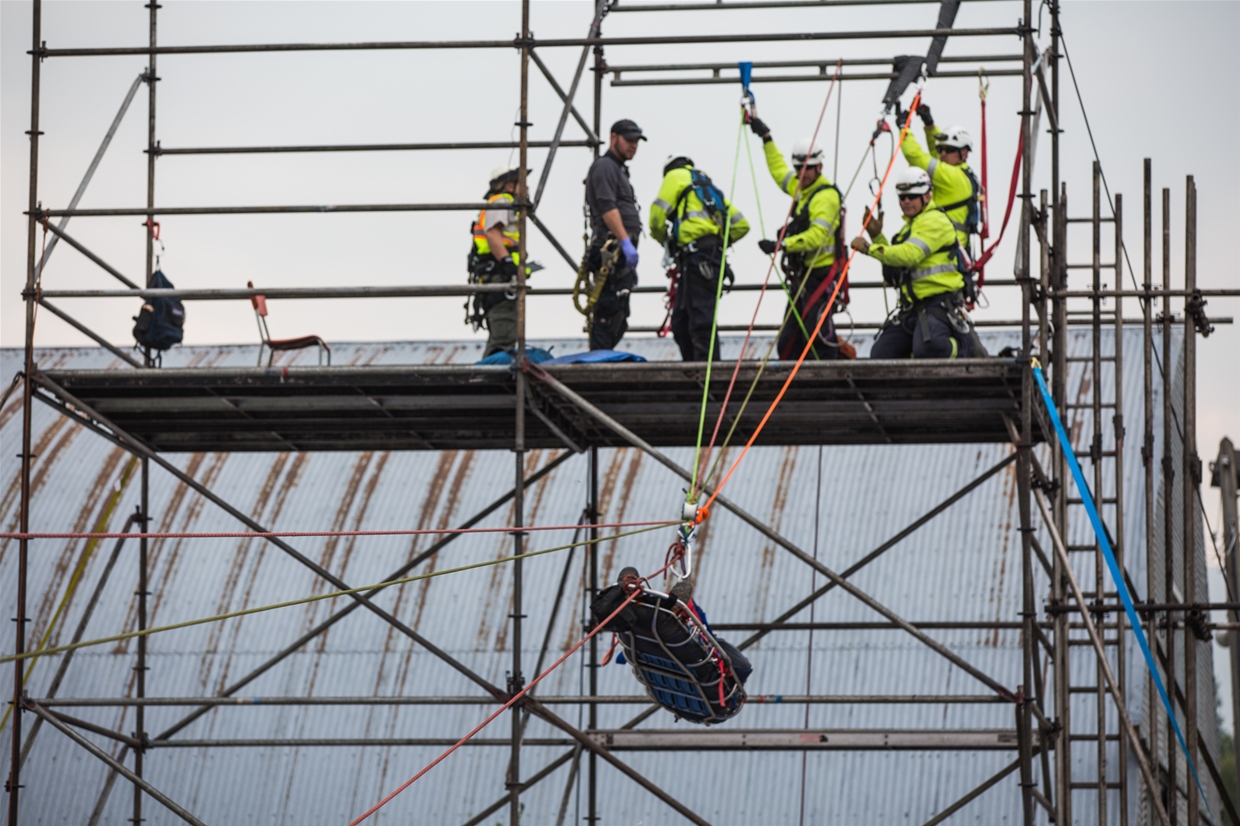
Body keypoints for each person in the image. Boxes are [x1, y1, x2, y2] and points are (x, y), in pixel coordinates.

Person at [748, 115, 847, 360]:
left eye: (807, 169)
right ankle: (797, 390)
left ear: (819, 168)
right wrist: (766, 139)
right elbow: (779, 171)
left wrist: (782, 245)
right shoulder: (802, 189)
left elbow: (817, 238)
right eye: (799, 169)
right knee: (790, 341)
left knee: (817, 334)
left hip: (821, 276)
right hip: (803, 276)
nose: (801, 174)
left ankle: (833, 382)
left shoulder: (825, 197)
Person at [850, 167, 976, 359]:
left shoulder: (935, 221)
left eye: (912, 196)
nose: (906, 201)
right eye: (903, 197)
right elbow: (896, 263)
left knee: (929, 347)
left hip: (938, 305)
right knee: (881, 354)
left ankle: (963, 347)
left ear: (927, 196)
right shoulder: (910, 228)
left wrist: (870, 248)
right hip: (912, 310)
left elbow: (909, 255)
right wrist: (877, 238)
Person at [649, 155, 750, 362]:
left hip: (697, 260)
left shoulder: (675, 177)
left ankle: (707, 379)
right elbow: (741, 225)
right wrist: (718, 242)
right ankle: (695, 371)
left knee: (698, 322)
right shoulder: (705, 186)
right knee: (683, 320)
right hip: (705, 261)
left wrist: (666, 242)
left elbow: (656, 217)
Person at [583, 119, 645, 350]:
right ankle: (600, 358)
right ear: (613, 138)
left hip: (618, 250)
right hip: (611, 247)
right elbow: (608, 207)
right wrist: (625, 241)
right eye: (629, 140)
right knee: (607, 311)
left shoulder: (618, 170)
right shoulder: (605, 167)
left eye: (636, 141)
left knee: (618, 310)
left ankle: (604, 353)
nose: (633, 146)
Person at [898, 103, 984, 256]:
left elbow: (916, 157)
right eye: (940, 149)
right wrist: (930, 126)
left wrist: (904, 129)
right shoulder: (962, 173)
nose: (942, 154)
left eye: (949, 150)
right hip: (952, 246)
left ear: (964, 153)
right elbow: (936, 156)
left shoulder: (951, 177)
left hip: (944, 249)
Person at [467, 164, 530, 358]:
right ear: (510, 185)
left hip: (499, 275)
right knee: (503, 336)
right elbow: (493, 233)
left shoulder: (507, 203)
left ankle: (489, 379)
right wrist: (507, 262)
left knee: (506, 334)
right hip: (499, 276)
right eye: (523, 183)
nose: (527, 188)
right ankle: (486, 381)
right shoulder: (502, 201)